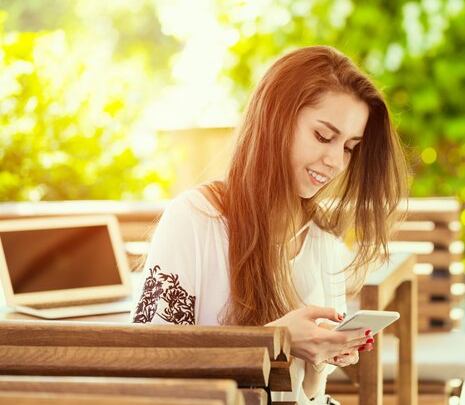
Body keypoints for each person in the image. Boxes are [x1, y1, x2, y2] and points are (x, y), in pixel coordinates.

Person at [131, 45, 407, 404]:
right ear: (275, 119)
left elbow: (308, 396)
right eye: (323, 136)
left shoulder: (323, 241)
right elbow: (148, 366)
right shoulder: (196, 221)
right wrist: (273, 340)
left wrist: (320, 356)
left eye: (349, 147)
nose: (335, 161)